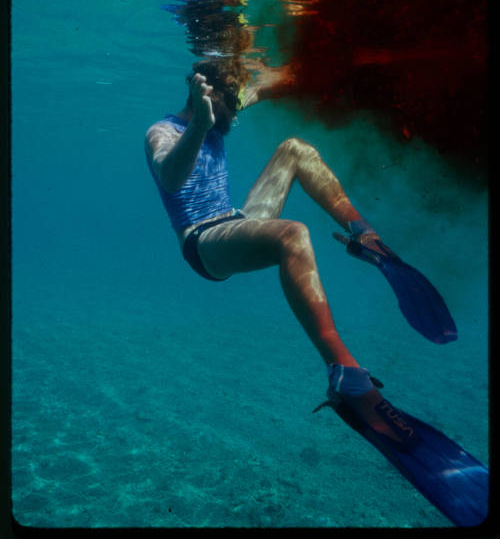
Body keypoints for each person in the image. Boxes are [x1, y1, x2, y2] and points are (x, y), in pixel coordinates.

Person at [144, 58, 489, 526]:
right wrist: (202, 125)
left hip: (235, 222)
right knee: (293, 235)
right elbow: (169, 177)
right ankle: (344, 373)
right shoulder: (161, 132)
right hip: (204, 244)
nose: (237, 114)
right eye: (231, 106)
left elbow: (276, 81)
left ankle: (365, 236)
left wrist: (343, 64)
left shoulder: (227, 101)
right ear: (200, 95)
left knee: (296, 148)